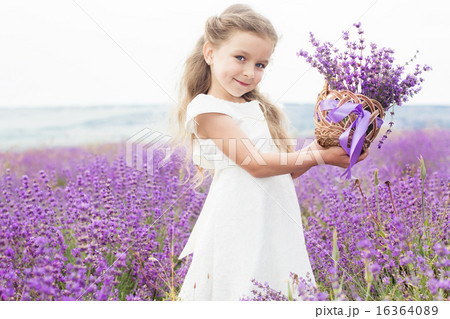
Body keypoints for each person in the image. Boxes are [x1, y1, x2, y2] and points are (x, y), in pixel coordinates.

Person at [172, 4, 369, 301]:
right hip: (239, 218)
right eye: (240, 58)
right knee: (242, 286)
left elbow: (281, 171)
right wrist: (320, 157)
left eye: (261, 64)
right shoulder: (207, 108)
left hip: (274, 216)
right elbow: (256, 164)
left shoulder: (255, 108)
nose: (250, 72)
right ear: (210, 53)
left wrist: (322, 149)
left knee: (279, 285)